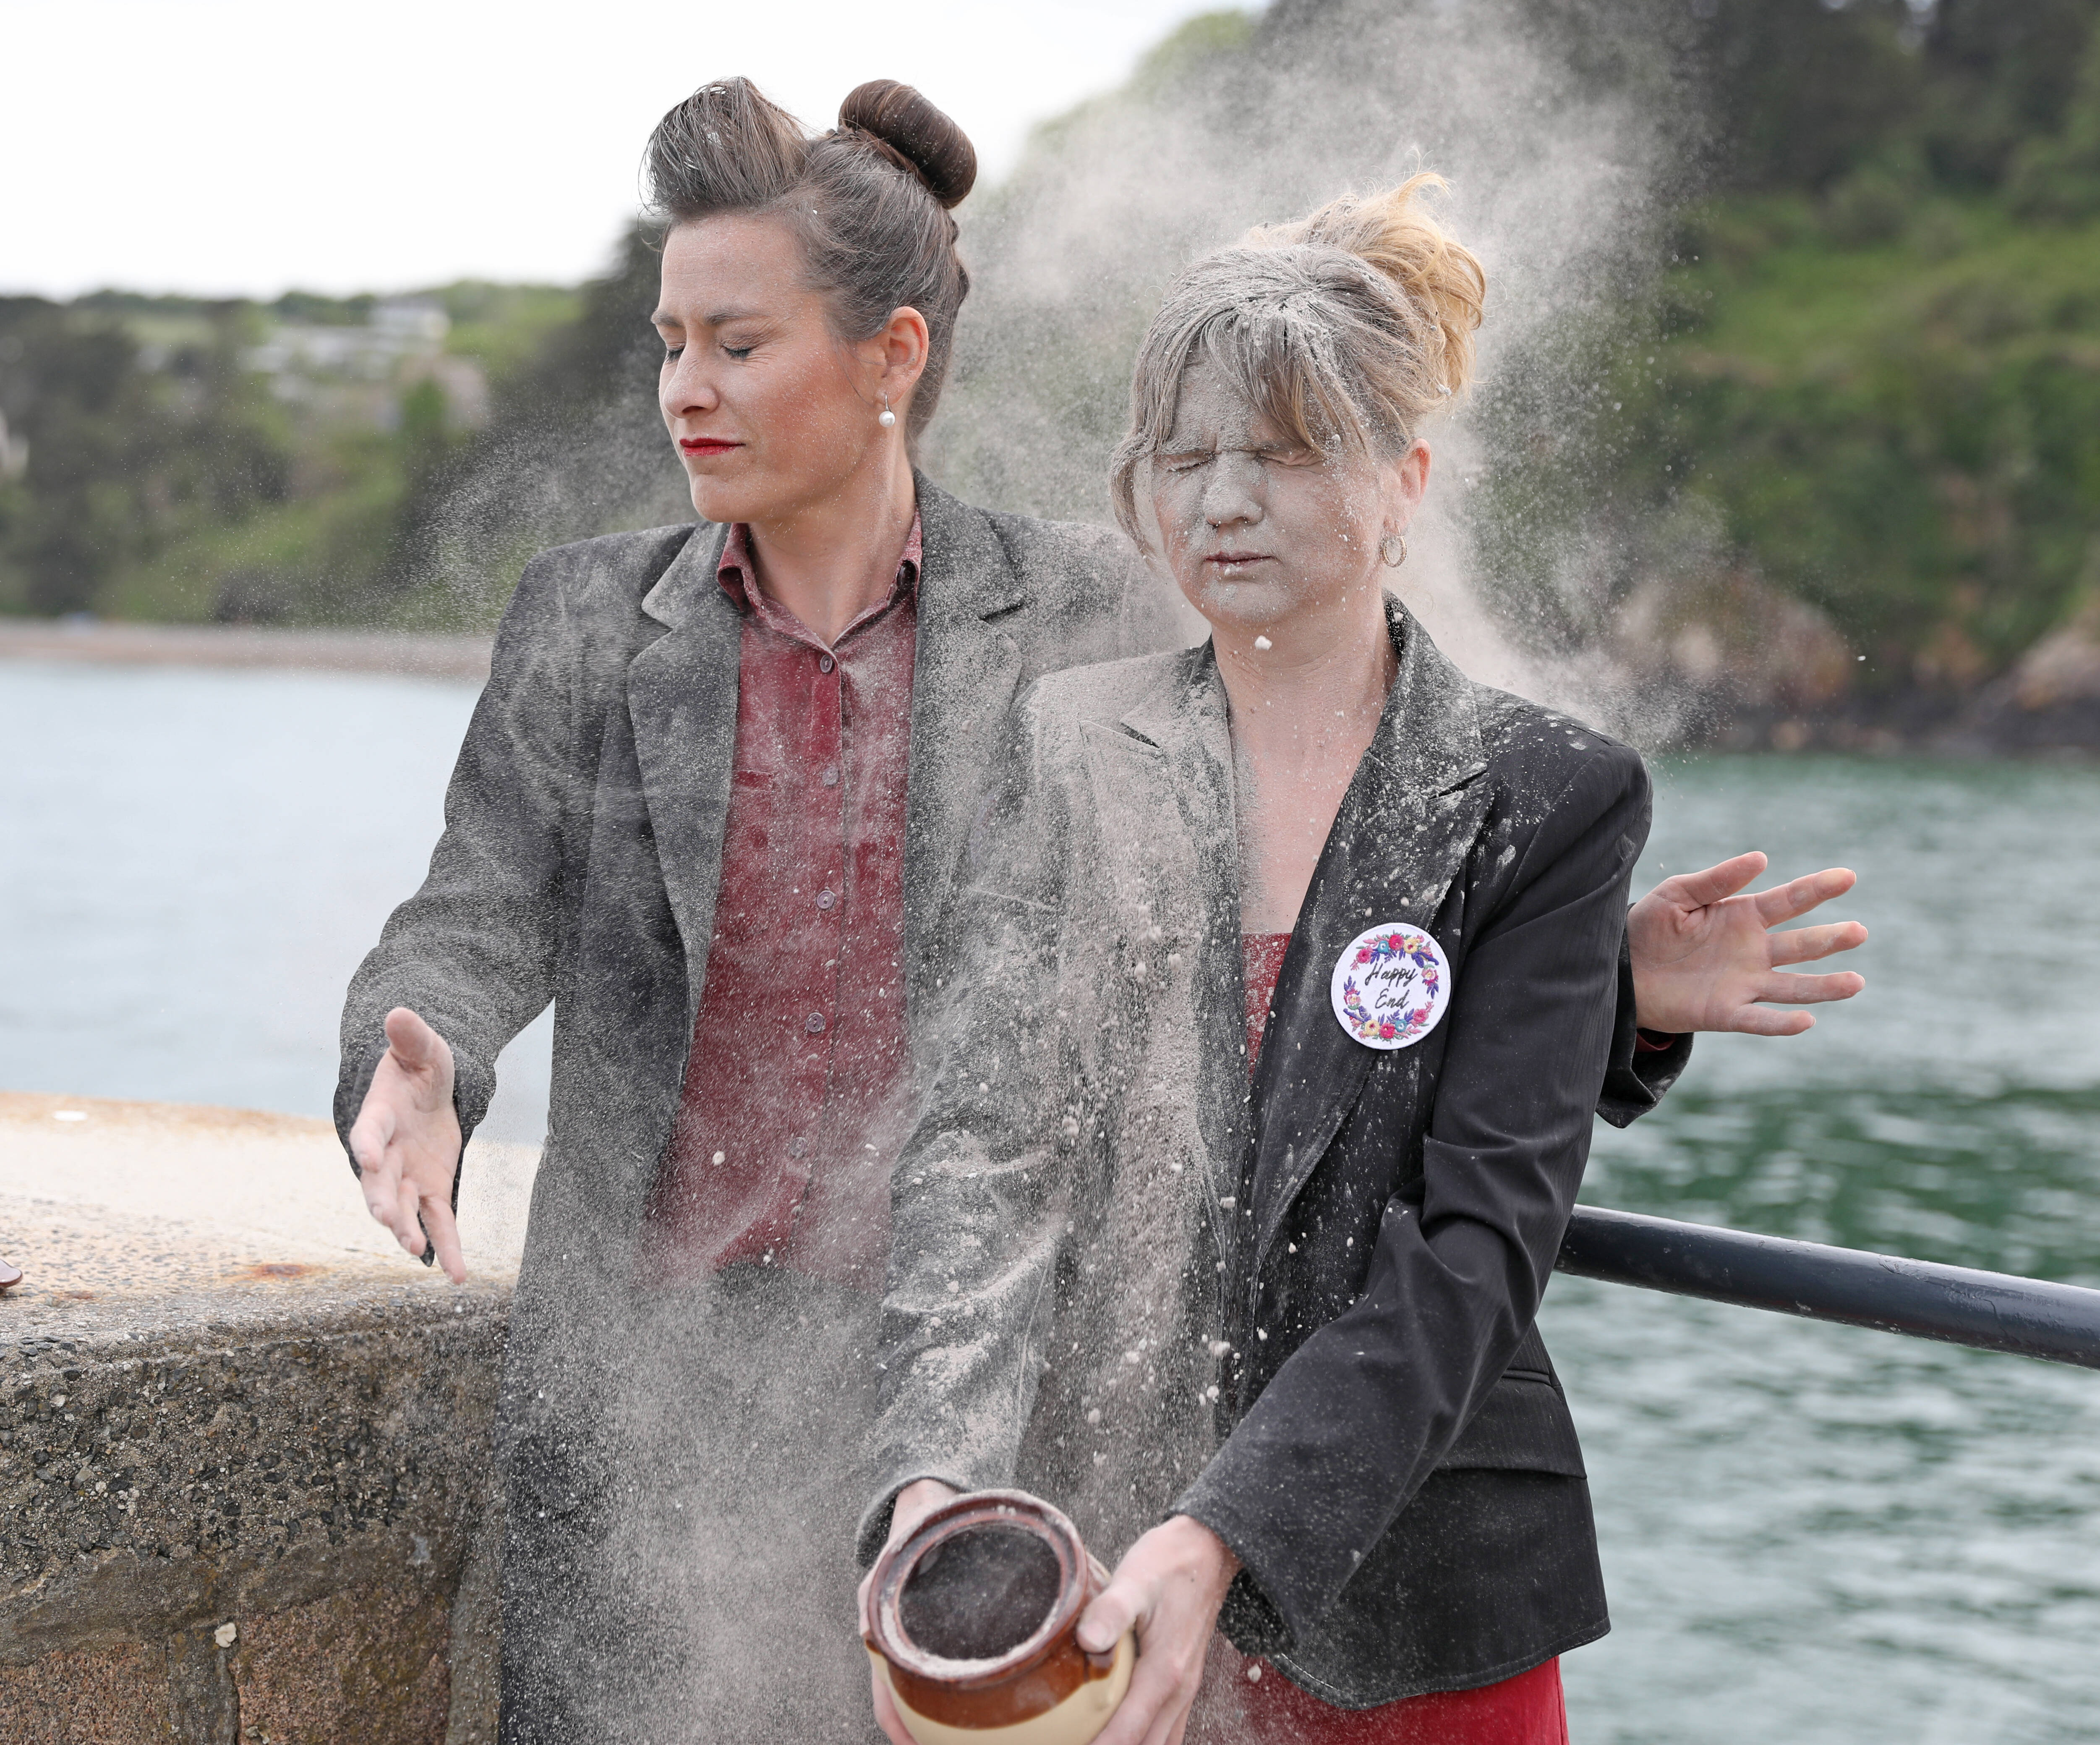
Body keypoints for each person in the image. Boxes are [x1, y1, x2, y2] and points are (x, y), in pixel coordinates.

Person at [335, 81, 1863, 1744]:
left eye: (738, 342)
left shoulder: (1085, 610)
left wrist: (1589, 993)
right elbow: (479, 905)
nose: (685, 386)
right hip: (695, 1377)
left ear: (894, 356)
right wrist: (424, 1058)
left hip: (1036, 1434)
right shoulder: (595, 620)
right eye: (671, 343)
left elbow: (1344, 887)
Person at [862, 177, 1841, 1745]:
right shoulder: (1063, 744)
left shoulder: (1542, 795)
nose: (1222, 501)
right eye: (1182, 456)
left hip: (1415, 1599)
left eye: (1286, 451)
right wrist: (932, 1484)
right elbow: (983, 1146)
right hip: (1089, 1565)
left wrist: (1224, 1532)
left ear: (1402, 483)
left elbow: (1475, 1242)